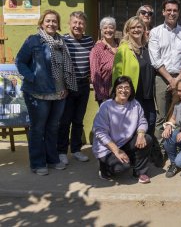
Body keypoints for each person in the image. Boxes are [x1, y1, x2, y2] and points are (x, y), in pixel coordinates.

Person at [15, 9, 78, 175]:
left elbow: (66, 68)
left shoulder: (61, 42)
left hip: (59, 93)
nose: (51, 24)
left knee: (52, 127)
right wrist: (32, 77)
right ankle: (37, 163)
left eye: (54, 21)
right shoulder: (33, 41)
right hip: (38, 93)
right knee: (38, 128)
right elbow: (20, 61)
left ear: (58, 24)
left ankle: (52, 159)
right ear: (42, 23)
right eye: (48, 21)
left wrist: (65, 87)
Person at [148, 0, 181, 164]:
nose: (172, 13)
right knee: (162, 116)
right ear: (163, 12)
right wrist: (170, 79)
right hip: (161, 77)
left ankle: (178, 149)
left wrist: (178, 80)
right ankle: (161, 152)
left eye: (175, 10)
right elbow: (155, 59)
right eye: (169, 10)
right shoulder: (155, 32)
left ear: (179, 12)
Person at [112, 16, 159, 164]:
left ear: (144, 29)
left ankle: (145, 154)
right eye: (133, 27)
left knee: (150, 123)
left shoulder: (148, 47)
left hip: (148, 94)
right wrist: (118, 96)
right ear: (128, 30)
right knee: (132, 127)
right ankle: (132, 157)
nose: (136, 30)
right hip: (132, 95)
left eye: (139, 27)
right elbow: (116, 73)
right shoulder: (124, 49)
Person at [92, 76, 153, 183]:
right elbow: (100, 132)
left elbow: (142, 121)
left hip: (125, 143)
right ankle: (104, 169)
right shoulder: (106, 106)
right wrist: (116, 150)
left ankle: (140, 172)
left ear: (131, 90)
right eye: (120, 87)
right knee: (121, 168)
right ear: (115, 89)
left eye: (127, 87)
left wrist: (141, 134)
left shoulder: (135, 104)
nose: (123, 90)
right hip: (107, 147)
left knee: (147, 139)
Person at [57, 11, 94, 165]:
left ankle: (76, 150)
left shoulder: (89, 40)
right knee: (65, 121)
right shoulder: (62, 40)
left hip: (84, 85)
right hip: (67, 86)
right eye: (75, 22)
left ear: (84, 25)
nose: (78, 26)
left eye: (81, 23)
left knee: (78, 120)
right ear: (69, 23)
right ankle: (61, 152)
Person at [90, 16, 118, 106]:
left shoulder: (121, 46)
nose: (108, 30)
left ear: (115, 29)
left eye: (111, 27)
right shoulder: (97, 49)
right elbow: (95, 74)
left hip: (122, 93)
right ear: (101, 30)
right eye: (105, 28)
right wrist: (102, 97)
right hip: (106, 95)